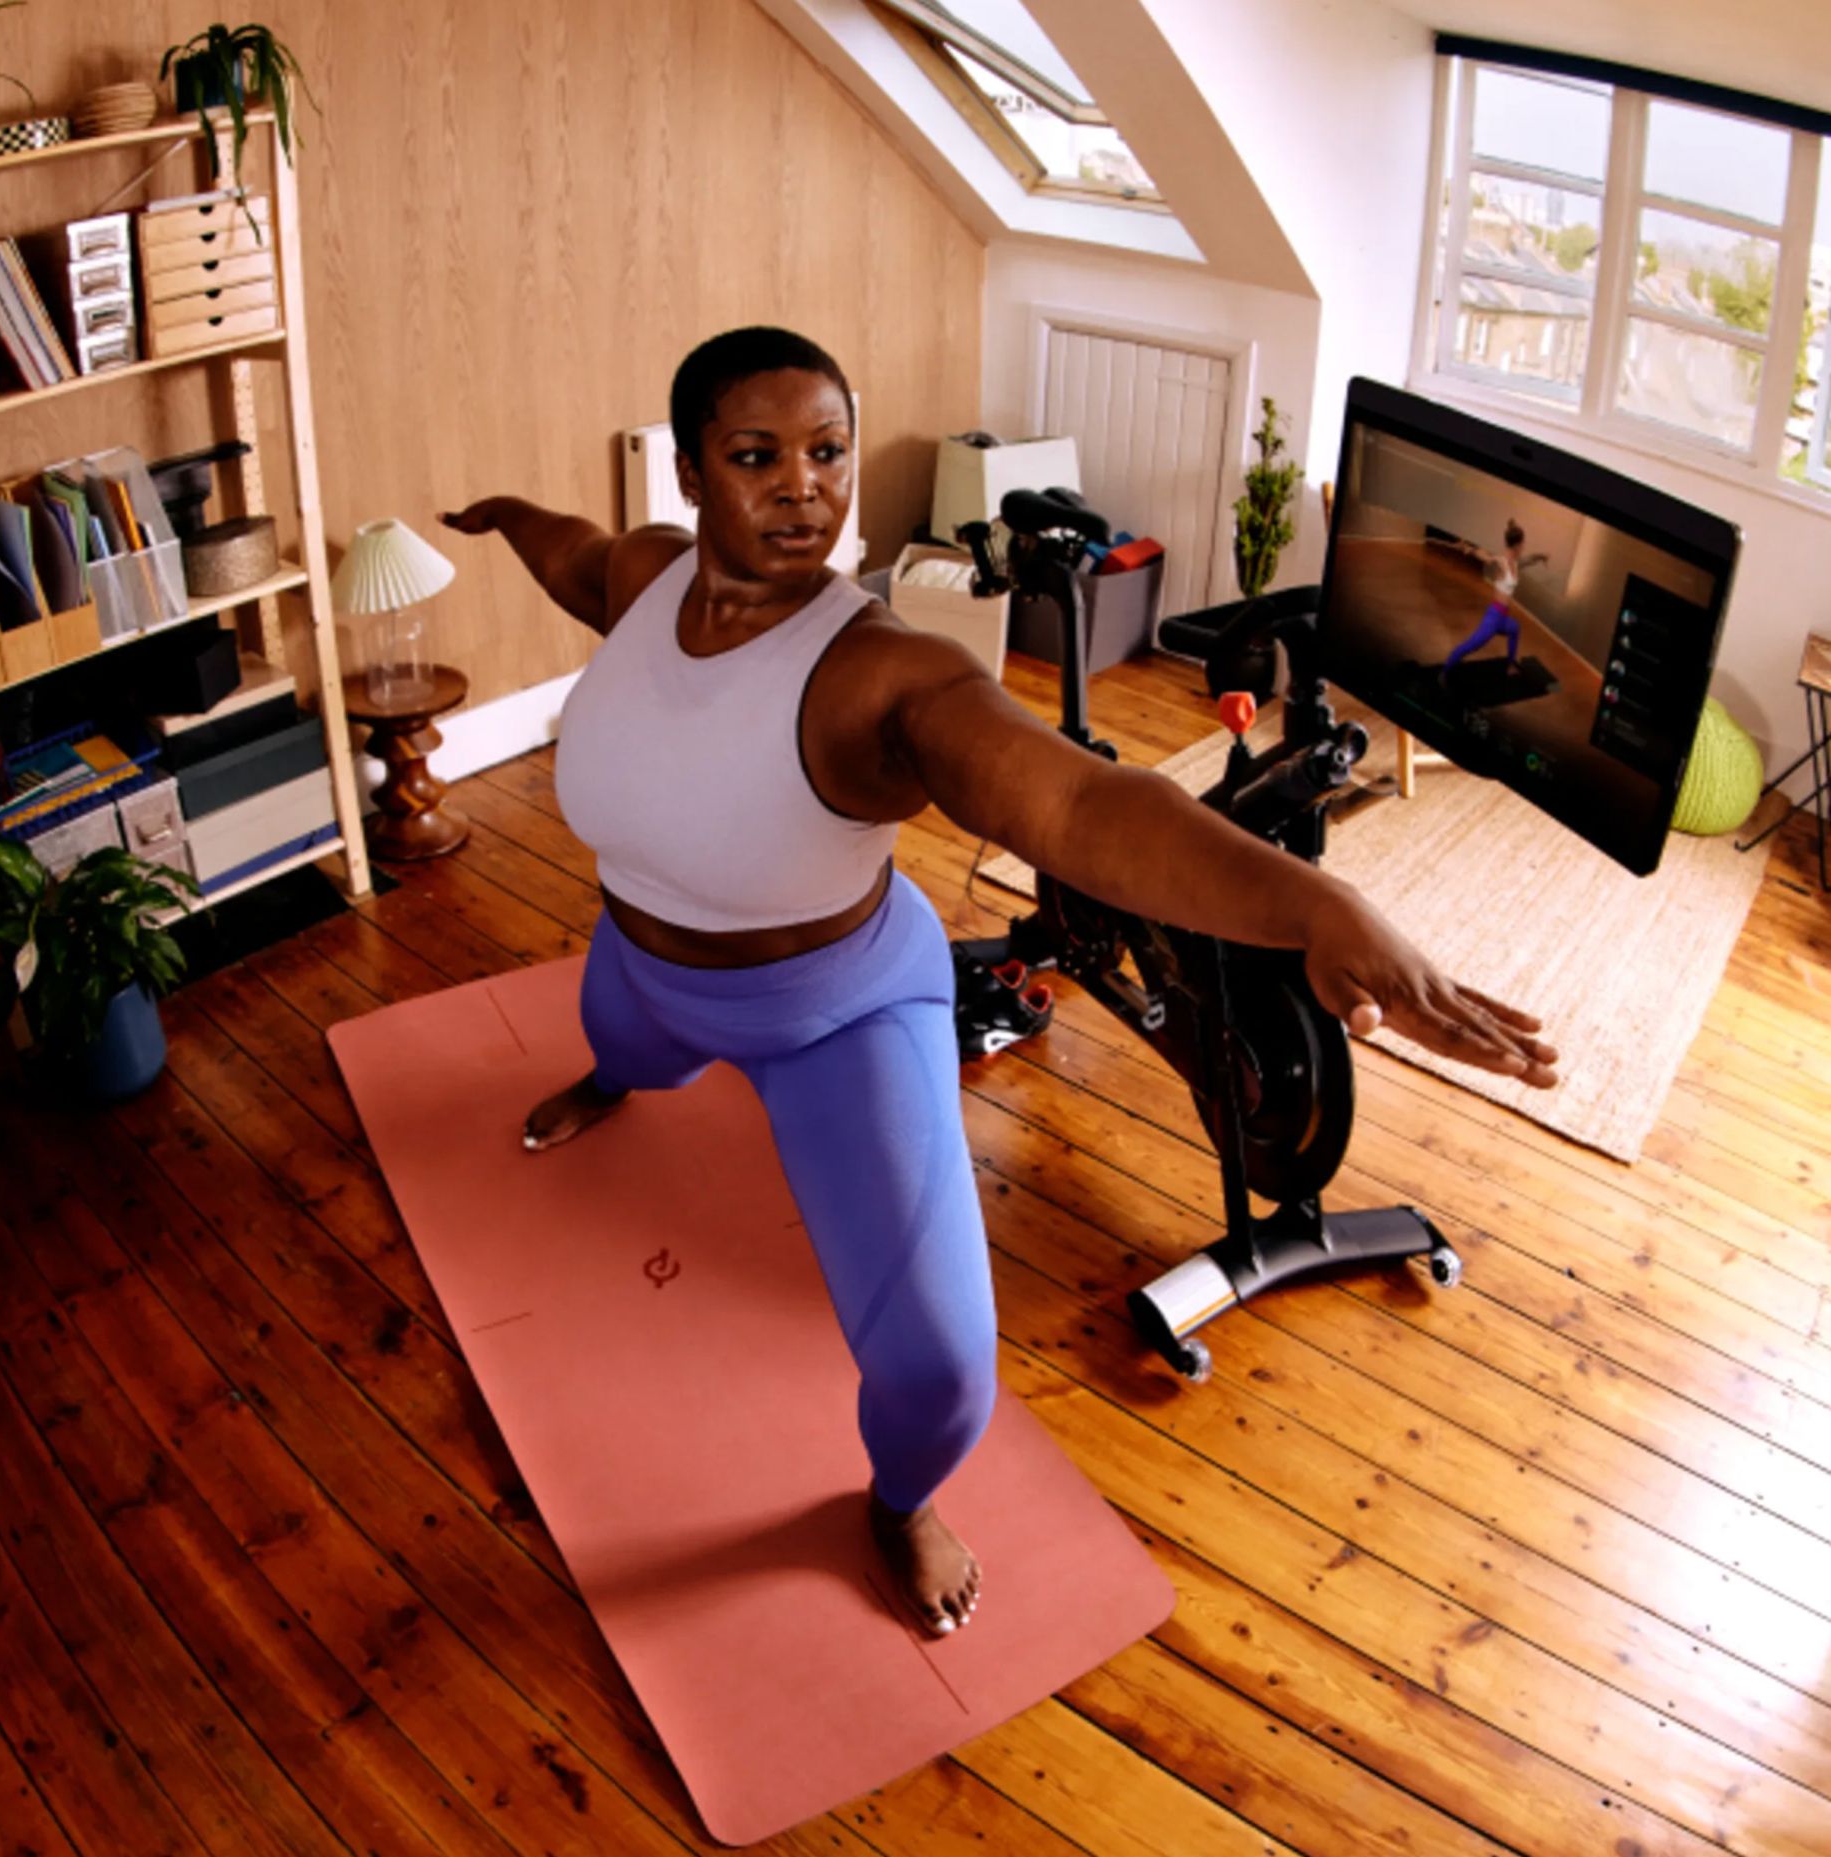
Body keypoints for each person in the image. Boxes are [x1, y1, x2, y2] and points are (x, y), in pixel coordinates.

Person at [443, 326, 1558, 1638]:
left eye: (829, 452)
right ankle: (624, 1071)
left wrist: (1318, 902)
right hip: (640, 967)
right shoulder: (647, 579)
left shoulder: (886, 675)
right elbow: (570, 545)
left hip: (835, 1019)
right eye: (759, 457)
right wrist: (502, 510)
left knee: (940, 1370)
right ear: (691, 472)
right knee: (619, 1041)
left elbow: (1089, 809)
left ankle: (899, 1502)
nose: (805, 485)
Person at [1443, 517, 1549, 677]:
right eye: (1523, 543)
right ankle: (1444, 672)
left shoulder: (1515, 562)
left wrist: (1541, 557)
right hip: (1493, 618)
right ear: (1517, 545)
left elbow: (1529, 559)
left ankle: (1510, 666)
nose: (1524, 546)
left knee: (1515, 629)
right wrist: (1468, 548)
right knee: (1471, 645)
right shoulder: (1502, 561)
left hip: (1503, 618)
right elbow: (1484, 556)